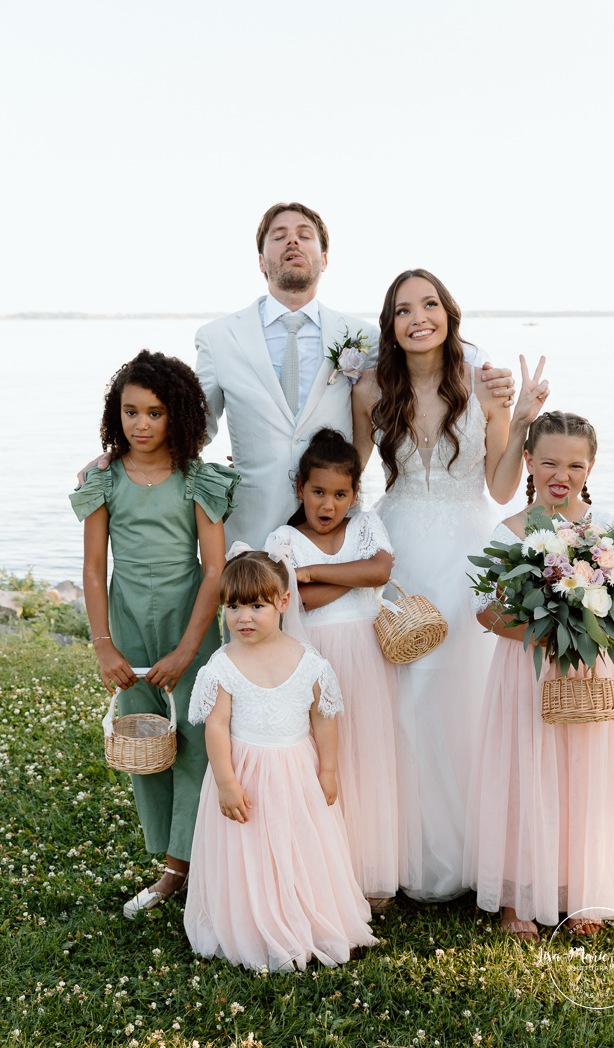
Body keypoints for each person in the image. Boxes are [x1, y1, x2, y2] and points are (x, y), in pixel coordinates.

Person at [351, 268, 550, 902]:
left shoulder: (482, 384)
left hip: (467, 546)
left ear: (448, 312)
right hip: (402, 544)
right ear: (391, 325)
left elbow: (497, 487)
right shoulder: (370, 390)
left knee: (469, 692)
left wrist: (519, 420)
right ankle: (405, 854)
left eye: (429, 304)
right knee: (406, 696)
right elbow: (352, 482)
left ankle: (481, 851)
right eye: (403, 309)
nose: (419, 318)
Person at [194, 202, 516, 547]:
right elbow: (195, 432)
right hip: (250, 532)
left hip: (338, 533)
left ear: (324, 258)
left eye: (305, 236)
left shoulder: (363, 338)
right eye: (280, 236)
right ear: (260, 260)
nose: (293, 243)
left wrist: (490, 371)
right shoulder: (218, 338)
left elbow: (425, 348)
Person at [463, 412, 614, 940]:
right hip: (528, 671)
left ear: (591, 467)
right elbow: (485, 610)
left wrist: (591, 622)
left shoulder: (606, 534)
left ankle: (585, 889)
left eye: (575, 464)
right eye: (549, 461)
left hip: (593, 668)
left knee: (587, 774)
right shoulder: (509, 531)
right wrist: (549, 632)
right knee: (527, 771)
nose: (562, 474)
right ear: (528, 460)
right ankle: (518, 895)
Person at [69, 350, 239, 918]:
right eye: (130, 412)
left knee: (195, 744)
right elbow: (94, 570)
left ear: (179, 415)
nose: (140, 425)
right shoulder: (104, 481)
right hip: (126, 621)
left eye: (155, 413)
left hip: (186, 618)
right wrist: (103, 646)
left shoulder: (198, 480)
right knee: (146, 740)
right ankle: (170, 859)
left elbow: (215, 569)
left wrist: (190, 647)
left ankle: (183, 867)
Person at [184, 550, 377, 971]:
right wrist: (226, 782)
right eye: (233, 606)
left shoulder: (309, 662)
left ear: (283, 603)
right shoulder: (224, 664)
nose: (243, 617)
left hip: (295, 772)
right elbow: (215, 727)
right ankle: (251, 920)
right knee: (248, 850)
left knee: (298, 845)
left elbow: (323, 719)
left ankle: (303, 914)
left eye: (257, 605)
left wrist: (327, 769)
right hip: (245, 775)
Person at [264, 428, 401, 914]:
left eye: (340, 494)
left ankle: (369, 871)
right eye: (318, 492)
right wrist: (349, 575)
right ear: (299, 488)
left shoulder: (365, 525)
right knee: (321, 760)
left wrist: (314, 571)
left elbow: (381, 571)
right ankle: (325, 869)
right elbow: (301, 601)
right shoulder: (283, 539)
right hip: (314, 658)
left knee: (367, 757)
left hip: (365, 656)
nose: (328, 504)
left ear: (354, 495)